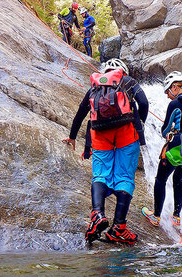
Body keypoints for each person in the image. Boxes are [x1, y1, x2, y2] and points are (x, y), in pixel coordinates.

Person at [62, 58, 149, 245]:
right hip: (127, 132)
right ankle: (119, 228)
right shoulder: (129, 82)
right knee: (125, 177)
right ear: (122, 71)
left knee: (100, 175)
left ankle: (97, 214)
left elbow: (81, 113)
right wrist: (138, 122)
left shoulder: (95, 86)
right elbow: (144, 102)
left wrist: (72, 136)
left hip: (100, 133)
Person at [142, 71, 182, 227]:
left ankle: (156, 216)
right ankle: (176, 217)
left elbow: (164, 131)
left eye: (167, 91)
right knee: (178, 179)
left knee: (160, 179)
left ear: (174, 87)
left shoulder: (175, 104)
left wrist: (172, 134)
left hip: (178, 147)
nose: (167, 96)